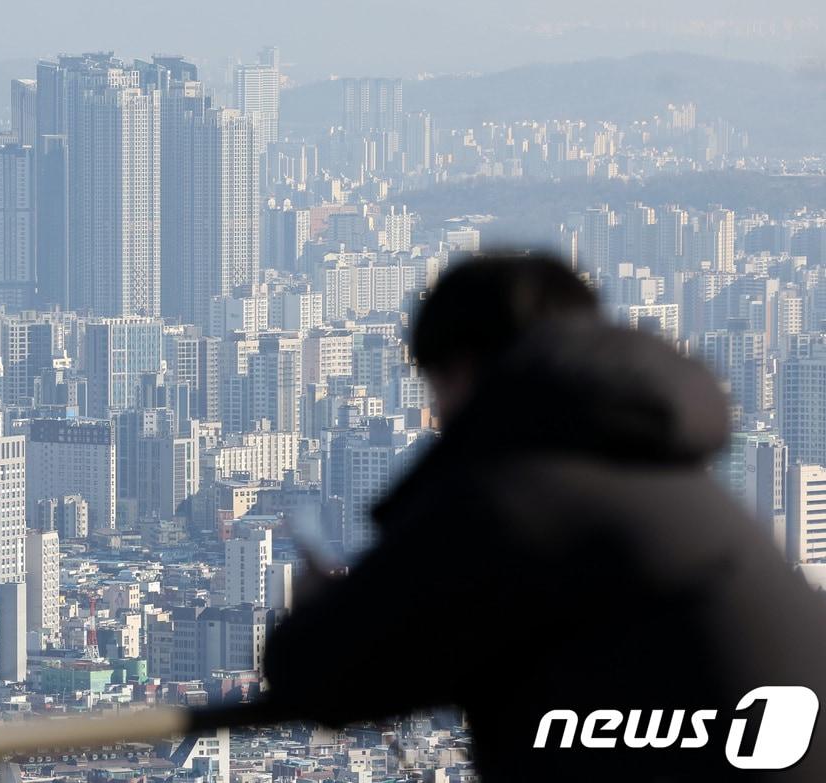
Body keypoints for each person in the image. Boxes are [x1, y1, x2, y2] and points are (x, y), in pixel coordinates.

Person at [259, 253, 826, 781]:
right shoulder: (667, 475)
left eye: (435, 388)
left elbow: (324, 670)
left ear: (460, 372)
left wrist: (315, 603)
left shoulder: (518, 496)